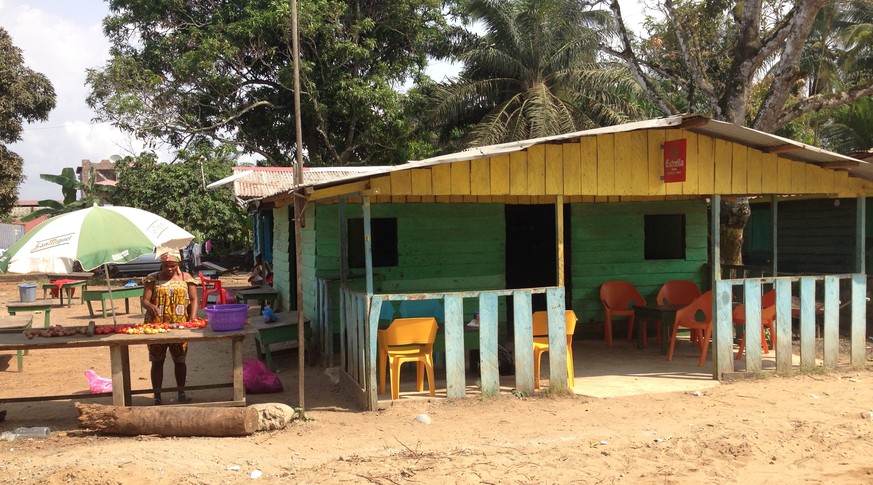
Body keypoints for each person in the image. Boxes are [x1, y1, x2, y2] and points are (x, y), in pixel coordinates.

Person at [142, 250, 199, 405]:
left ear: (178, 264)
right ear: (161, 264)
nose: (169, 269)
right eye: (166, 265)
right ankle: (157, 396)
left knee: (180, 361)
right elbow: (144, 301)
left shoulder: (186, 278)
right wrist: (150, 306)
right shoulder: (152, 278)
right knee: (157, 361)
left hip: (180, 326)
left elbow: (194, 300)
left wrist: (192, 318)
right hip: (156, 326)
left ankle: (181, 393)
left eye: (172, 266)